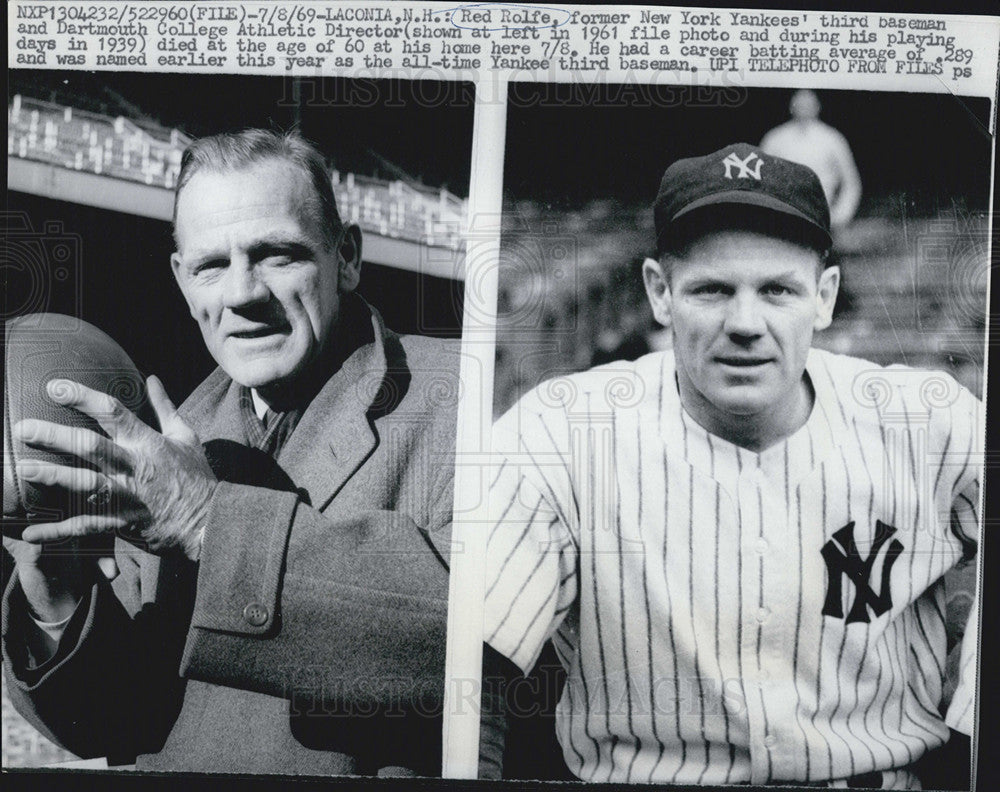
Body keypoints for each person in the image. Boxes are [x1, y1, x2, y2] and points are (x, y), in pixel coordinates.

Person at [483, 143, 979, 787]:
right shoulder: (561, 429)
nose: (745, 323)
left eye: (777, 290)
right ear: (660, 293)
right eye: (713, 289)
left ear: (824, 297)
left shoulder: (929, 420)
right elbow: (474, 662)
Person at [2, 129, 460, 776]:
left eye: (276, 255)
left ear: (347, 257)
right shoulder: (172, 436)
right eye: (211, 265)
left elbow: (474, 643)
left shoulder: (464, 402)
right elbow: (108, 721)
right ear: (183, 283)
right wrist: (54, 586)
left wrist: (205, 523)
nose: (242, 294)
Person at [761, 89, 862, 229]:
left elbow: (851, 183)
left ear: (817, 107)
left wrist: (840, 216)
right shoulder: (774, 139)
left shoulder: (833, 139)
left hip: (822, 218)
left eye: (808, 104)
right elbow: (760, 180)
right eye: (799, 104)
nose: (804, 109)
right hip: (784, 216)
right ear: (791, 107)